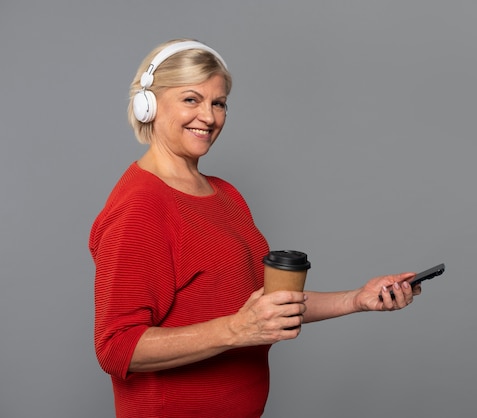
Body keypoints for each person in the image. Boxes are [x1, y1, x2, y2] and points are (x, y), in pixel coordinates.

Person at [89, 38, 421, 418]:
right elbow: (117, 346)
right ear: (148, 105)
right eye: (191, 99)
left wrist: (356, 299)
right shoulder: (141, 206)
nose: (209, 117)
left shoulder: (225, 194)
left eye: (219, 103)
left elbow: (260, 307)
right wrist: (235, 330)